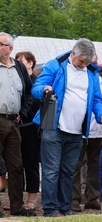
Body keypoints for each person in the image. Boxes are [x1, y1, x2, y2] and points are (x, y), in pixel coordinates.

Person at [31, 38, 102, 217]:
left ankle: (66, 207)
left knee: (68, 171)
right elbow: (35, 88)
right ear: (73, 53)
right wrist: (44, 89)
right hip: (53, 126)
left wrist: (101, 115)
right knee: (51, 171)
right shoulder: (56, 65)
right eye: (81, 61)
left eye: (87, 62)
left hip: (77, 132)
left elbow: (97, 100)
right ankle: (51, 209)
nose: (84, 64)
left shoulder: (92, 72)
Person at [0, 32, 36, 217]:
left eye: (0, 44)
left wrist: (22, 113)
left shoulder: (19, 68)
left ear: (9, 49)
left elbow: (29, 93)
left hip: (14, 122)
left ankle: (17, 206)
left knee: (16, 165)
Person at [72, 56, 102, 212]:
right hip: (80, 129)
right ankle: (74, 199)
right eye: (89, 62)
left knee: (94, 165)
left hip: (98, 130)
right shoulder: (80, 79)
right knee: (76, 165)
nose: (92, 64)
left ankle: (92, 198)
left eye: (95, 62)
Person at [15, 51, 41, 211]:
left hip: (31, 127)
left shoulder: (36, 83)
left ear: (30, 63)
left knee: (31, 163)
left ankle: (32, 197)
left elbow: (35, 104)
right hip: (16, 127)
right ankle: (17, 198)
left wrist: (23, 113)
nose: (18, 64)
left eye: (21, 61)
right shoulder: (17, 81)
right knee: (16, 164)